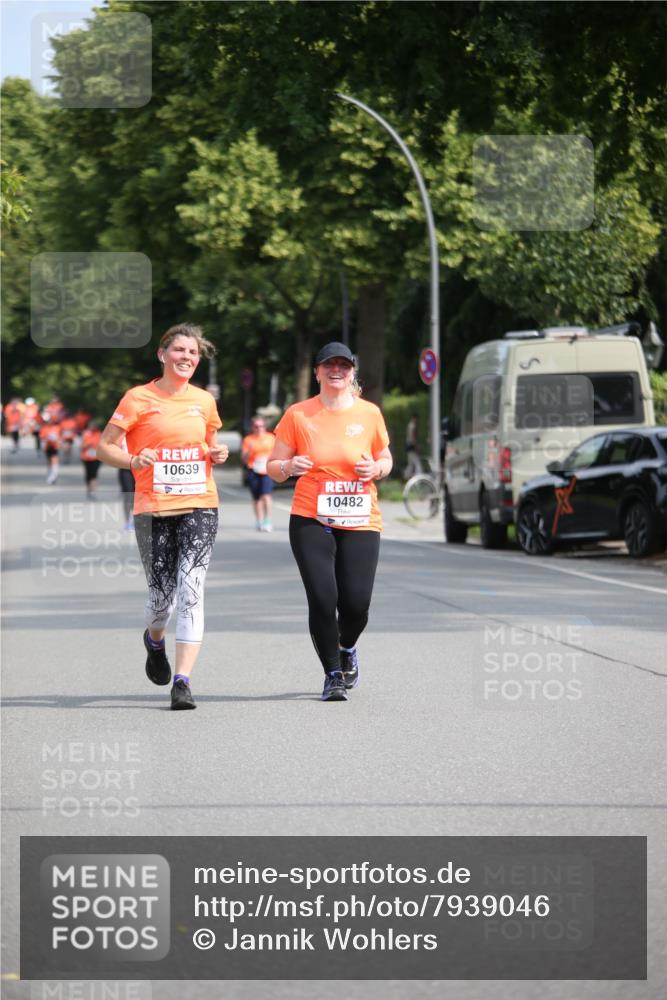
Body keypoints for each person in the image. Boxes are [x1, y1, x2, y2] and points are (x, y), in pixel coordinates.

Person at [97, 323, 229, 711]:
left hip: (200, 502)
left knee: (191, 587)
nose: (186, 357)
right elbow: (105, 448)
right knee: (161, 599)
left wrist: (216, 453)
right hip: (153, 507)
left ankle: (183, 681)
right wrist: (133, 459)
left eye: (193, 353)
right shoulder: (137, 398)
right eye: (179, 351)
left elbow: (210, 444)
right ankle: (155, 640)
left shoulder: (204, 401)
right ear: (162, 354)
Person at [267, 341, 392, 702]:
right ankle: (332, 673)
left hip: (360, 517)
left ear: (352, 371)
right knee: (323, 599)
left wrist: (377, 468)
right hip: (311, 517)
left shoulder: (369, 414)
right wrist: (289, 467)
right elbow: (272, 467)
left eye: (343, 365)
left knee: (356, 605)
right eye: (328, 365)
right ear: (318, 372)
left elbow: (385, 458)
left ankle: (347, 645)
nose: (336, 370)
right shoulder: (298, 414)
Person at [241, 416, 276, 531]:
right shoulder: (248, 440)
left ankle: (268, 521)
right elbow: (244, 459)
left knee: (266, 495)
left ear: (265, 427)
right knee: (257, 498)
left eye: (261, 426)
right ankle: (259, 520)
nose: (259, 428)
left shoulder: (271, 438)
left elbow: (277, 453)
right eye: (256, 426)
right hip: (253, 469)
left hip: (267, 470)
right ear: (253, 428)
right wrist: (250, 450)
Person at [80, 421, 102, 499]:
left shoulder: (99, 434)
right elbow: (82, 446)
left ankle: (93, 491)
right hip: (86, 458)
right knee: (88, 475)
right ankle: (89, 489)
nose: (93, 428)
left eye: (94, 426)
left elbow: (102, 446)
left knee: (94, 475)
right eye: (91, 426)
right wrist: (87, 445)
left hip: (96, 458)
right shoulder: (86, 434)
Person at [39, 417, 61, 483]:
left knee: (54, 461)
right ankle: (50, 475)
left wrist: (57, 440)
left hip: (55, 446)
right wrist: (47, 439)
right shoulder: (44, 428)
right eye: (48, 421)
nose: (50, 422)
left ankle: (53, 476)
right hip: (47, 447)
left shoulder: (57, 428)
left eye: (51, 421)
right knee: (49, 462)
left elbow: (60, 436)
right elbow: (42, 438)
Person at [404, 412, 422, 479]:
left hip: (409, 446)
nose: (417, 420)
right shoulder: (413, 426)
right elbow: (413, 437)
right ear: (414, 418)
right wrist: (416, 446)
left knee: (410, 464)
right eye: (416, 418)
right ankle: (419, 478)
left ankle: (406, 476)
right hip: (412, 446)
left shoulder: (409, 425)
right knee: (417, 463)